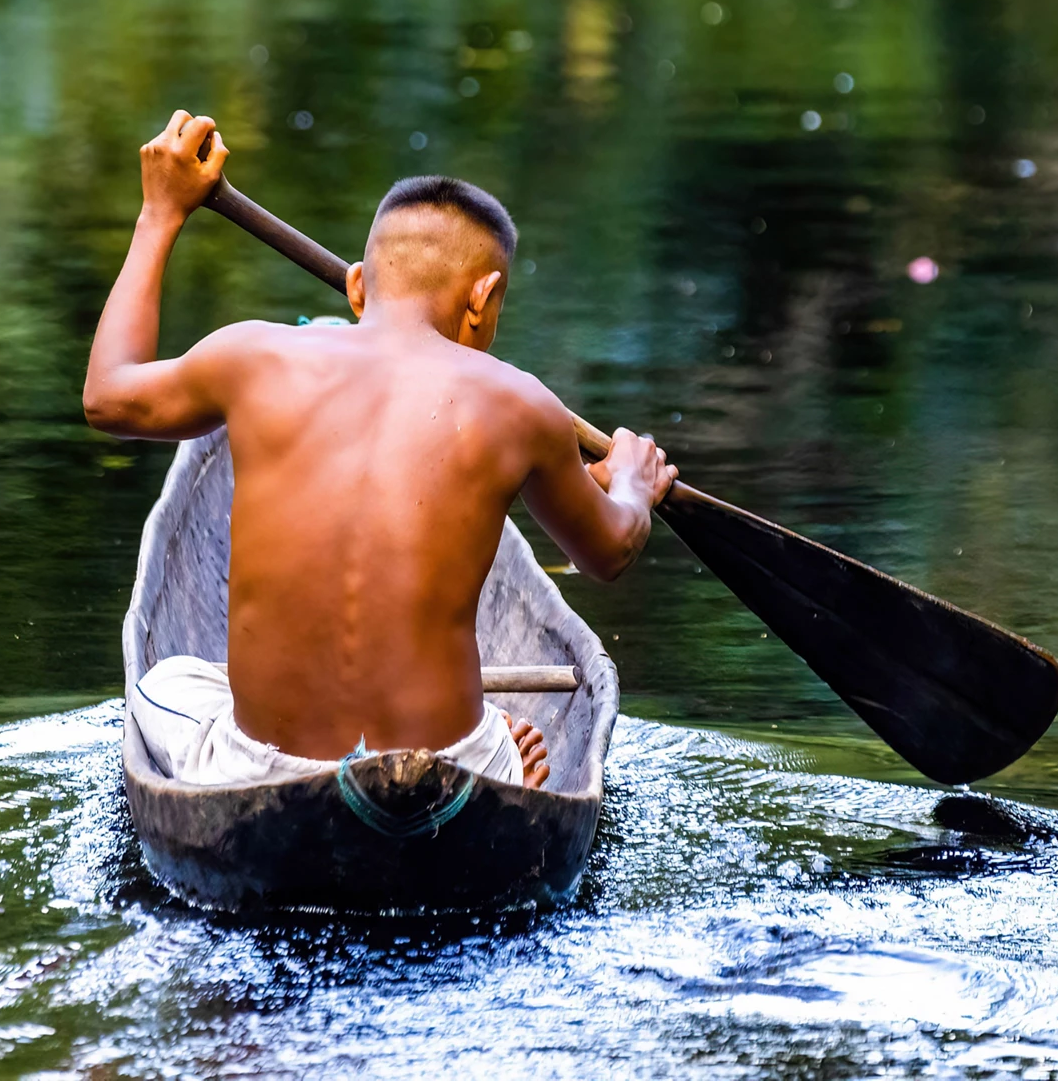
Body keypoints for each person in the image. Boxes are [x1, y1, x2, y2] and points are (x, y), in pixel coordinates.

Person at [83, 111, 677, 791]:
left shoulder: (252, 354)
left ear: (359, 285)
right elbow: (608, 551)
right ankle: (494, 757)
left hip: (263, 768)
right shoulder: (521, 406)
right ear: (483, 299)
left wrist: (159, 213)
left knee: (169, 680)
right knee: (490, 744)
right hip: (450, 774)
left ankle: (428, 758)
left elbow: (107, 396)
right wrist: (631, 484)